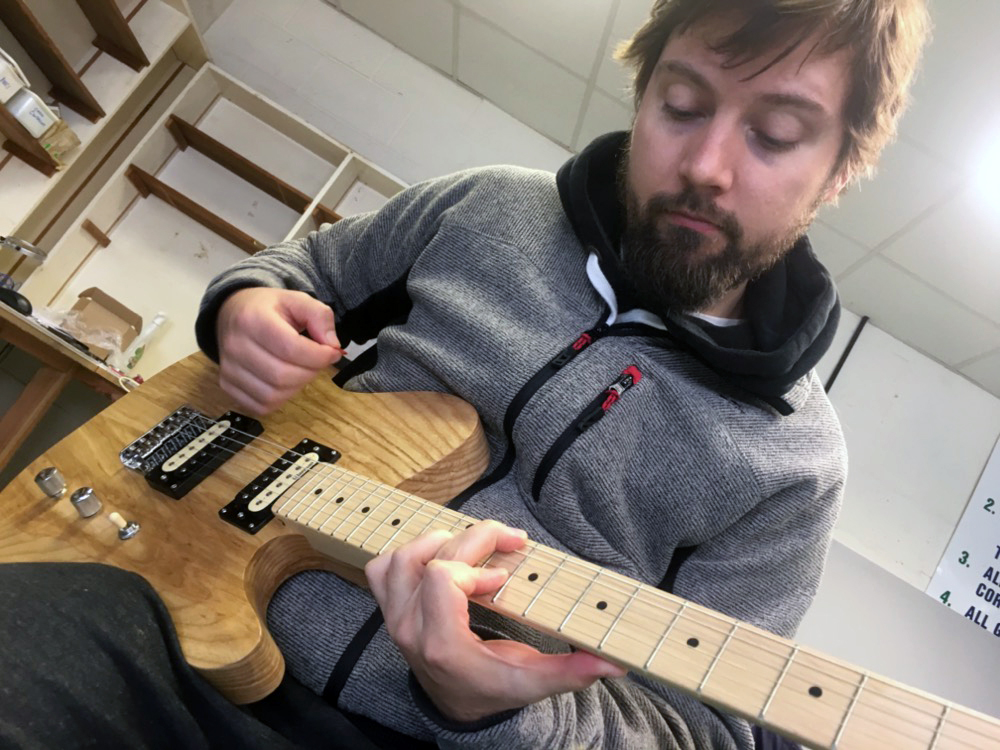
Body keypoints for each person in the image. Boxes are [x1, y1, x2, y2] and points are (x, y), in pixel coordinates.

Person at [0, 1, 929, 748]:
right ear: (641, 97)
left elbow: (706, 732)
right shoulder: (488, 206)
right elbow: (307, 271)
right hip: (153, 607)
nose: (706, 166)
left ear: (841, 168)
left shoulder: (794, 466)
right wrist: (244, 305)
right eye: (682, 106)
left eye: (774, 134)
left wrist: (503, 714)